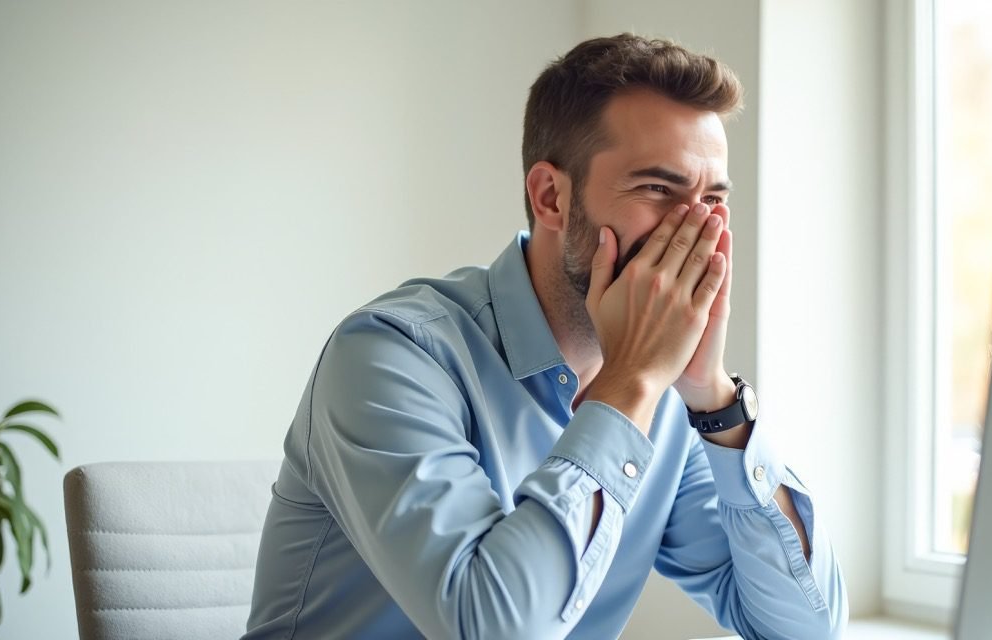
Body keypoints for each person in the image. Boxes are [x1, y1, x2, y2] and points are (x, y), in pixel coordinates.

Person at [244, 33, 848, 639]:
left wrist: (715, 400)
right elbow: (492, 628)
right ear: (551, 196)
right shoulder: (388, 358)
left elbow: (808, 630)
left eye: (712, 199)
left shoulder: (666, 406)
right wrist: (630, 384)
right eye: (659, 190)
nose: (698, 230)